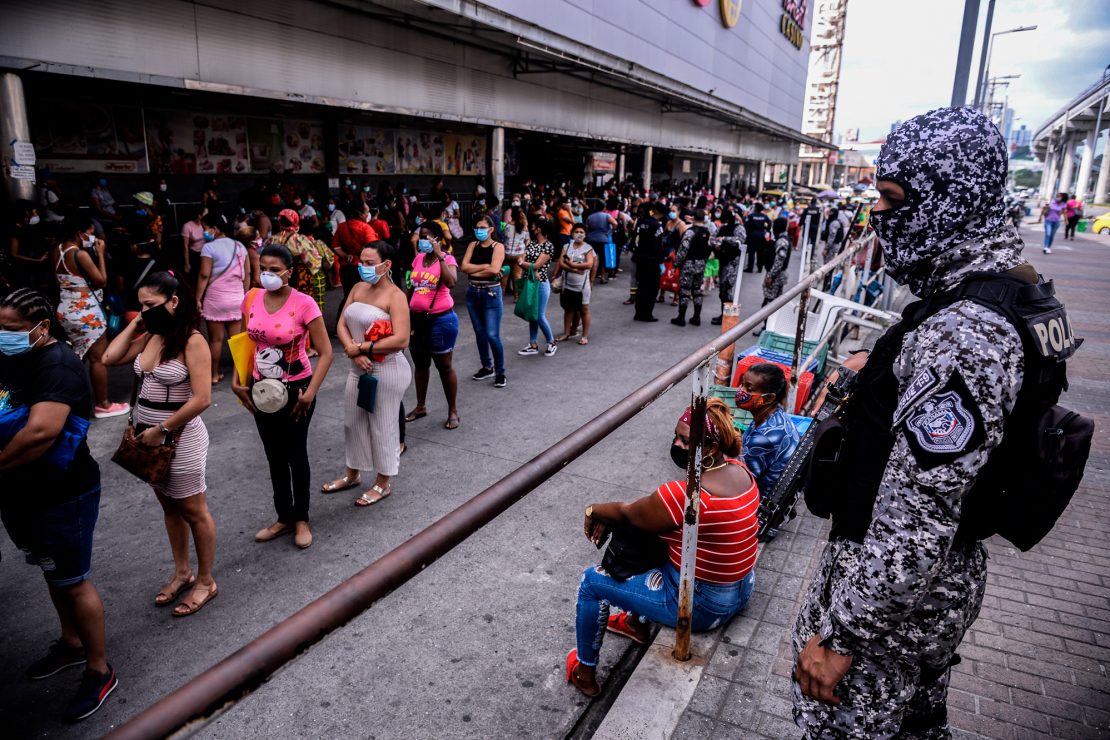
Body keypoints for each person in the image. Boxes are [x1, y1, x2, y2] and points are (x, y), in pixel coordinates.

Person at [790, 107, 1049, 737]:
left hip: (888, 611)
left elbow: (919, 521)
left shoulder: (963, 333)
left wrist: (842, 636)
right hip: (921, 600)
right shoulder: (1000, 295)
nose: (879, 213)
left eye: (893, 198)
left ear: (950, 201)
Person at [567, 399, 757, 696]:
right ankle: (634, 624)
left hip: (706, 607)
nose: (676, 444)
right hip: (742, 588)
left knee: (591, 582)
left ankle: (585, 673)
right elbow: (647, 515)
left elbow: (631, 512)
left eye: (685, 440)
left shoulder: (688, 494)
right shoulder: (740, 470)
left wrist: (593, 510)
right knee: (656, 538)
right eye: (676, 436)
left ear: (709, 450)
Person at [0, 288, 117, 722]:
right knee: (52, 569)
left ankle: (99, 668)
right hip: (21, 490)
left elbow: (40, 433)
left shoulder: (58, 365)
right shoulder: (16, 357)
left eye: (11, 330)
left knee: (73, 579)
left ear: (42, 328)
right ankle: (71, 643)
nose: (2, 336)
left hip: (63, 491)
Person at [102, 272, 217, 616]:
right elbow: (110, 358)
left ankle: (206, 581)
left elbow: (202, 399)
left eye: (150, 304)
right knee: (169, 508)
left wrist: (163, 429)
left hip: (178, 437)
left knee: (194, 512)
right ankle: (183, 571)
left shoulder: (192, 340)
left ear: (174, 301)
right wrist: (139, 320)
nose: (144, 311)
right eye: (141, 306)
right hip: (147, 438)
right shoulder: (153, 334)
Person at [231, 244, 332, 550]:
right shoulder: (251, 298)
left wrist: (310, 394)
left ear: (289, 272)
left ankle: (301, 517)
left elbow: (326, 353)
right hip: (261, 389)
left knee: (295, 454)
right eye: (263, 268)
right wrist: (238, 382)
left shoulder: (304, 304)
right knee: (273, 454)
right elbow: (243, 343)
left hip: (296, 389)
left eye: (275, 270)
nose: (268, 275)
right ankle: (283, 516)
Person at [325, 241, 412, 506]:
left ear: (386, 266)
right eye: (360, 262)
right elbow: (341, 323)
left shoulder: (396, 296)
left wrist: (362, 347)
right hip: (357, 368)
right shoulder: (357, 287)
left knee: (383, 426)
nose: (362, 267)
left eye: (368, 263)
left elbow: (402, 339)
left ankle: (383, 482)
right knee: (353, 423)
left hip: (387, 370)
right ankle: (352, 473)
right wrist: (355, 351)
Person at [52, 217, 129, 419]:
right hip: (85, 310)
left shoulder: (57, 250)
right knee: (97, 359)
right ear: (80, 233)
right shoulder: (80, 254)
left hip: (66, 307)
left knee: (78, 356)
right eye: (90, 232)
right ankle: (104, 404)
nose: (92, 237)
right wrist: (101, 254)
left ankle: (65, 403)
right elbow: (101, 280)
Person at [405, 222, 460, 429]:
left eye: (427, 237)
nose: (422, 241)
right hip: (417, 321)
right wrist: (405, 311)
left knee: (444, 367)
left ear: (437, 239)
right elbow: (411, 286)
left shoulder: (448, 258)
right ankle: (420, 406)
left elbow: (452, 282)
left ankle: (453, 410)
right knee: (420, 365)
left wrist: (440, 256)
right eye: (421, 236)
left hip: (441, 321)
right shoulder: (418, 259)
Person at [735, 363, 799, 512]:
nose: (740, 391)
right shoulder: (775, 414)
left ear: (769, 398)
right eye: (742, 384)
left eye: (748, 388)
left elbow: (740, 480)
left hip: (761, 513)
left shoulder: (764, 437)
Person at [195, 213, 249, 384]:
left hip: (216, 299)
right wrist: (243, 293)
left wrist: (198, 298)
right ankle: (241, 374)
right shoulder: (240, 246)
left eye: (205, 228)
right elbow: (247, 273)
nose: (204, 232)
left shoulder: (208, 248)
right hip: (236, 297)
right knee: (237, 339)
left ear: (215, 229)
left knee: (216, 340)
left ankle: (213, 375)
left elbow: (204, 275)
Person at [460, 215, 507, 387]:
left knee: (492, 335)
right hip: (473, 292)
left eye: (482, 227)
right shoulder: (473, 245)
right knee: (480, 334)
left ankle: (500, 371)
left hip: (491, 292)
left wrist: (478, 270)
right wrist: (485, 268)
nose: (478, 230)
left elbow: (495, 269)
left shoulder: (498, 247)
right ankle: (487, 367)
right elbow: (464, 267)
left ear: (491, 229)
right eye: (477, 227)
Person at [269, 209, 328, 312]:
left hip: (278, 275)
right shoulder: (299, 240)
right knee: (301, 305)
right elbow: (312, 260)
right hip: (299, 276)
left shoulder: (273, 239)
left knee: (283, 304)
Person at [517, 218, 558, 358]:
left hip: (540, 284)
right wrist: (527, 265)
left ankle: (551, 342)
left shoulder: (548, 246)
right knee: (532, 315)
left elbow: (535, 265)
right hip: (530, 282)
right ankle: (533, 344)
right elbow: (521, 260)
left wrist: (526, 264)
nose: (531, 227)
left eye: (533, 225)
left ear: (539, 228)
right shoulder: (532, 243)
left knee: (539, 315)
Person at [332, 201, 380, 321]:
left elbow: (335, 246)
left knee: (348, 295)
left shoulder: (342, 226)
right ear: (360, 214)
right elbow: (372, 247)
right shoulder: (365, 228)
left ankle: (341, 323)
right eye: (367, 212)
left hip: (345, 267)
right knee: (363, 295)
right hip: (361, 268)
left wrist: (345, 255)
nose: (368, 215)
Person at [554, 224, 594, 345]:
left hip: (582, 287)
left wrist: (572, 265)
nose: (579, 234)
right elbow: (561, 262)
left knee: (584, 310)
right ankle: (566, 333)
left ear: (585, 235)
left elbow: (589, 264)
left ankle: (584, 336)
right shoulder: (567, 246)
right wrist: (575, 269)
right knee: (568, 309)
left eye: (582, 232)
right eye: (576, 231)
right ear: (572, 233)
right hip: (567, 285)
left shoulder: (588, 248)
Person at [670, 209, 712, 327]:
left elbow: (683, 250)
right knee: (697, 290)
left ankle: (681, 317)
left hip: (689, 264)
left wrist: (675, 265)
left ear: (693, 218)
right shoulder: (706, 232)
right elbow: (709, 247)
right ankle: (696, 317)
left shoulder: (690, 232)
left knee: (684, 290)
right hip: (701, 264)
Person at [754, 215, 793, 337]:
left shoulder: (782, 241)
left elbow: (779, 260)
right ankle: (769, 328)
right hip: (778, 275)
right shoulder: (784, 238)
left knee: (768, 304)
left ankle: (767, 329)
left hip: (776, 276)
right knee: (773, 302)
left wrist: (770, 276)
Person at [631, 203, 665, 322]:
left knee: (641, 287)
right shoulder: (657, 226)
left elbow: (635, 240)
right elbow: (658, 246)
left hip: (640, 258)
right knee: (652, 288)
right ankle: (647, 313)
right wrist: (660, 260)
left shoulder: (641, 222)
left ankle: (638, 312)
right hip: (652, 261)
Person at [711, 210, 746, 325]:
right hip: (723, 261)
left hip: (733, 262)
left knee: (727, 290)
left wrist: (724, 239)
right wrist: (716, 244)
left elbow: (740, 241)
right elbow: (713, 238)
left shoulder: (739, 228)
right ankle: (724, 316)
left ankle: (729, 318)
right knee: (722, 291)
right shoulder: (721, 227)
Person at [584, 203, 617, 285]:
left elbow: (586, 228)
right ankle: (602, 277)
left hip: (591, 240)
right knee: (603, 259)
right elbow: (615, 223)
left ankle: (588, 277)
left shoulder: (590, 217)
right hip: (603, 239)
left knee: (590, 259)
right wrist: (610, 232)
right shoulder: (606, 216)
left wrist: (588, 235)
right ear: (604, 207)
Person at [180, 205, 207, 278]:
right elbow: (185, 246)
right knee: (194, 275)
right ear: (199, 215)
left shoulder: (205, 224)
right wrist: (187, 263)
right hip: (193, 254)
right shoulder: (187, 226)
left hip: (205, 252)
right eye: (205, 214)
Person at [744, 203, 771, 272]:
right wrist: (767, 230)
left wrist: (747, 234)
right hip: (762, 235)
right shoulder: (764, 216)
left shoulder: (751, 216)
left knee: (752, 252)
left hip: (753, 235)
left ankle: (750, 268)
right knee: (760, 252)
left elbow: (746, 225)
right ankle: (760, 268)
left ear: (755, 208)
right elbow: (770, 222)